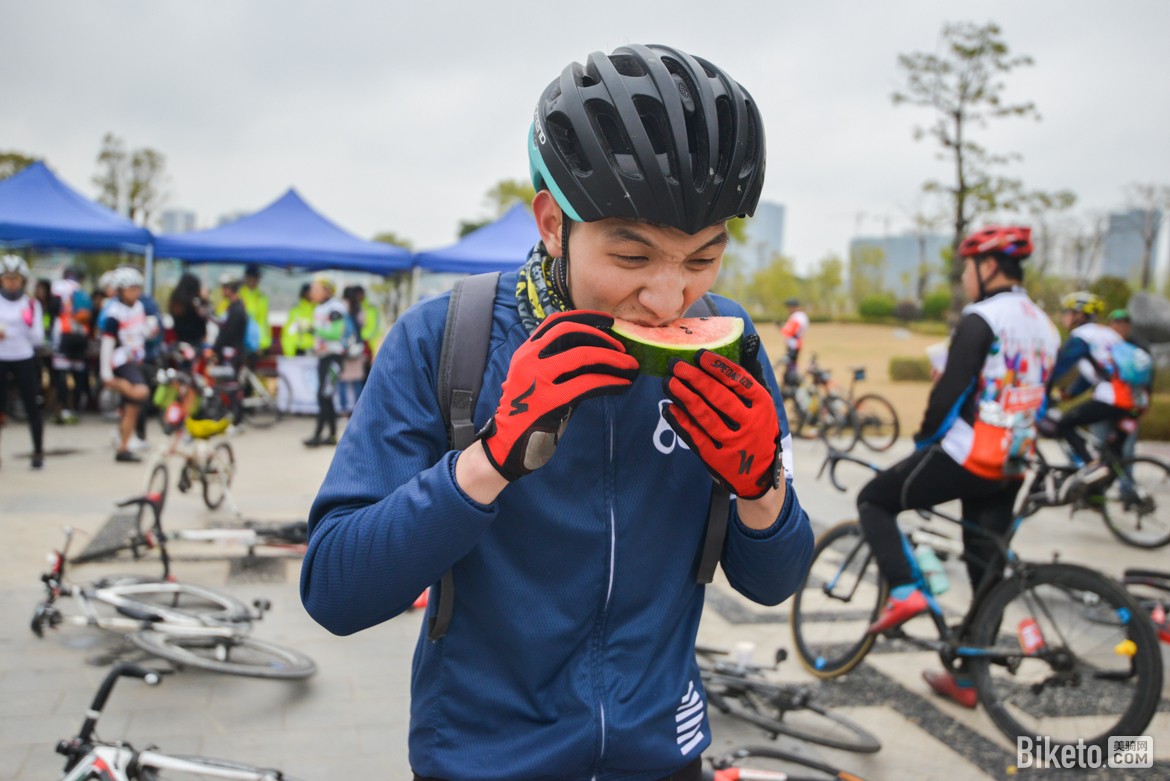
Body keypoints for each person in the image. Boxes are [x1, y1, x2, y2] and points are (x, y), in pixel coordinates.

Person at [300, 44, 811, 781]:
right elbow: (334, 591)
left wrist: (762, 488)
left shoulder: (729, 347)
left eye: (701, 258)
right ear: (551, 222)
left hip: (664, 756)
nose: (669, 299)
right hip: (483, 761)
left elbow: (774, 580)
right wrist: (488, 461)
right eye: (632, 258)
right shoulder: (446, 339)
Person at [856, 225, 1059, 709]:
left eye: (967, 268)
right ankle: (969, 676)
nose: (966, 278)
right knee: (983, 567)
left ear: (987, 266)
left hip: (970, 453)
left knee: (874, 499)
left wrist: (924, 439)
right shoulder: (1046, 324)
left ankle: (904, 590)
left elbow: (950, 393)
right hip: (1014, 460)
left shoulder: (981, 317)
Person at [1046, 292, 1143, 473]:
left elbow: (1058, 367)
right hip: (1134, 400)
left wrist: (1042, 389)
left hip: (1112, 397)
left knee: (1064, 423)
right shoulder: (1106, 333)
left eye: (1067, 312)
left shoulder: (1082, 335)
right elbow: (1096, 373)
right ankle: (1102, 494)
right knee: (1114, 455)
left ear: (1080, 314)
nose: (1063, 316)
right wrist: (1070, 394)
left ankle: (1089, 468)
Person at [98, 266, 153, 463]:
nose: (135, 292)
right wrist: (107, 374)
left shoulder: (138, 306)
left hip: (136, 359)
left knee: (132, 408)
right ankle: (119, 386)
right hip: (122, 361)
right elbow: (107, 343)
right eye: (130, 288)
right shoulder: (113, 312)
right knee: (141, 391)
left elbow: (140, 331)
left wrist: (149, 329)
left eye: (137, 288)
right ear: (121, 290)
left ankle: (123, 448)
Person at [0, 255, 46, 470]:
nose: (11, 282)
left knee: (32, 407)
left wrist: (27, 325)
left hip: (24, 358)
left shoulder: (31, 303)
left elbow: (38, 338)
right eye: (7, 278)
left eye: (15, 278)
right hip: (1, 359)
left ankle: (38, 452)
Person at [303, 273, 347, 447]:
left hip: (333, 357)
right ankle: (330, 435)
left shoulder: (335, 308)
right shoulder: (318, 308)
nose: (312, 292)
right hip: (323, 357)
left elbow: (336, 333)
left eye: (316, 289)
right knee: (324, 396)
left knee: (324, 395)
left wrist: (312, 329)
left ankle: (320, 435)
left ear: (327, 291)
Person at [48, 266, 93, 424]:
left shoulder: (59, 287)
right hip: (80, 336)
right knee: (78, 374)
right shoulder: (82, 292)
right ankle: (75, 408)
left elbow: (53, 309)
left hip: (63, 335)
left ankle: (64, 409)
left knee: (61, 374)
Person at [167, 272, 209, 350]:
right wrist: (204, 301)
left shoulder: (175, 301)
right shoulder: (194, 303)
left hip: (179, 341)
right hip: (194, 343)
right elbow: (202, 320)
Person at [240, 263, 272, 355]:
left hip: (259, 344)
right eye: (251, 277)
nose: (253, 280)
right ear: (246, 278)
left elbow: (262, 322)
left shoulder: (262, 297)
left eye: (256, 278)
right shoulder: (239, 296)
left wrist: (262, 344)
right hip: (242, 344)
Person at [778, 297, 808, 387]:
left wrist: (781, 328)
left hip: (794, 344)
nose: (788, 309)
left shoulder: (797, 316)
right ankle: (791, 383)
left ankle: (792, 385)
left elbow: (791, 331)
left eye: (790, 307)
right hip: (794, 344)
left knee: (791, 366)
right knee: (791, 365)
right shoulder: (801, 316)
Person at [280, 282, 316, 357]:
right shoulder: (295, 311)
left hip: (315, 351)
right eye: (309, 292)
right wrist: (289, 353)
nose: (311, 294)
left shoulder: (319, 309)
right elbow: (289, 333)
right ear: (303, 293)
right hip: (298, 351)